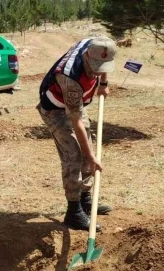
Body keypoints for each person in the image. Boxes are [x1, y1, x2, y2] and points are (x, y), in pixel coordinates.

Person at [37, 36, 116, 232]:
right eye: (95, 65)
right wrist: (91, 157)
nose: (99, 70)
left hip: (76, 105)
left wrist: (103, 84)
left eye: (103, 66)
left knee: (87, 144)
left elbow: (104, 65)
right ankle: (73, 212)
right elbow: (76, 122)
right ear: (87, 55)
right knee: (75, 154)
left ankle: (85, 201)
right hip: (55, 109)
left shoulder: (98, 44)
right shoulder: (70, 76)